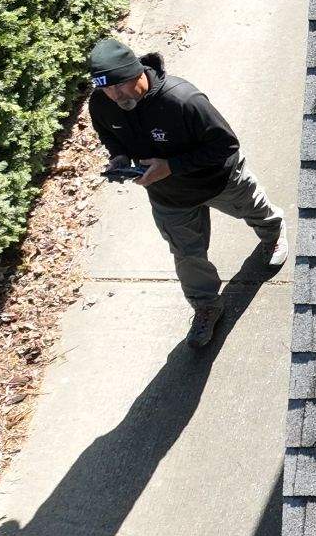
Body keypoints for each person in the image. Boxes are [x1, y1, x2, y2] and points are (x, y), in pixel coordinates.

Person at [85, 34, 283, 350]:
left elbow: (226, 145)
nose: (115, 95)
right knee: (187, 255)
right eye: (106, 88)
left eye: (120, 85)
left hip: (219, 180)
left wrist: (172, 166)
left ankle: (273, 234)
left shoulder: (183, 99)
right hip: (169, 197)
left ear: (136, 72)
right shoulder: (102, 104)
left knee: (256, 210)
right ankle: (206, 307)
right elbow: (109, 134)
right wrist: (120, 157)